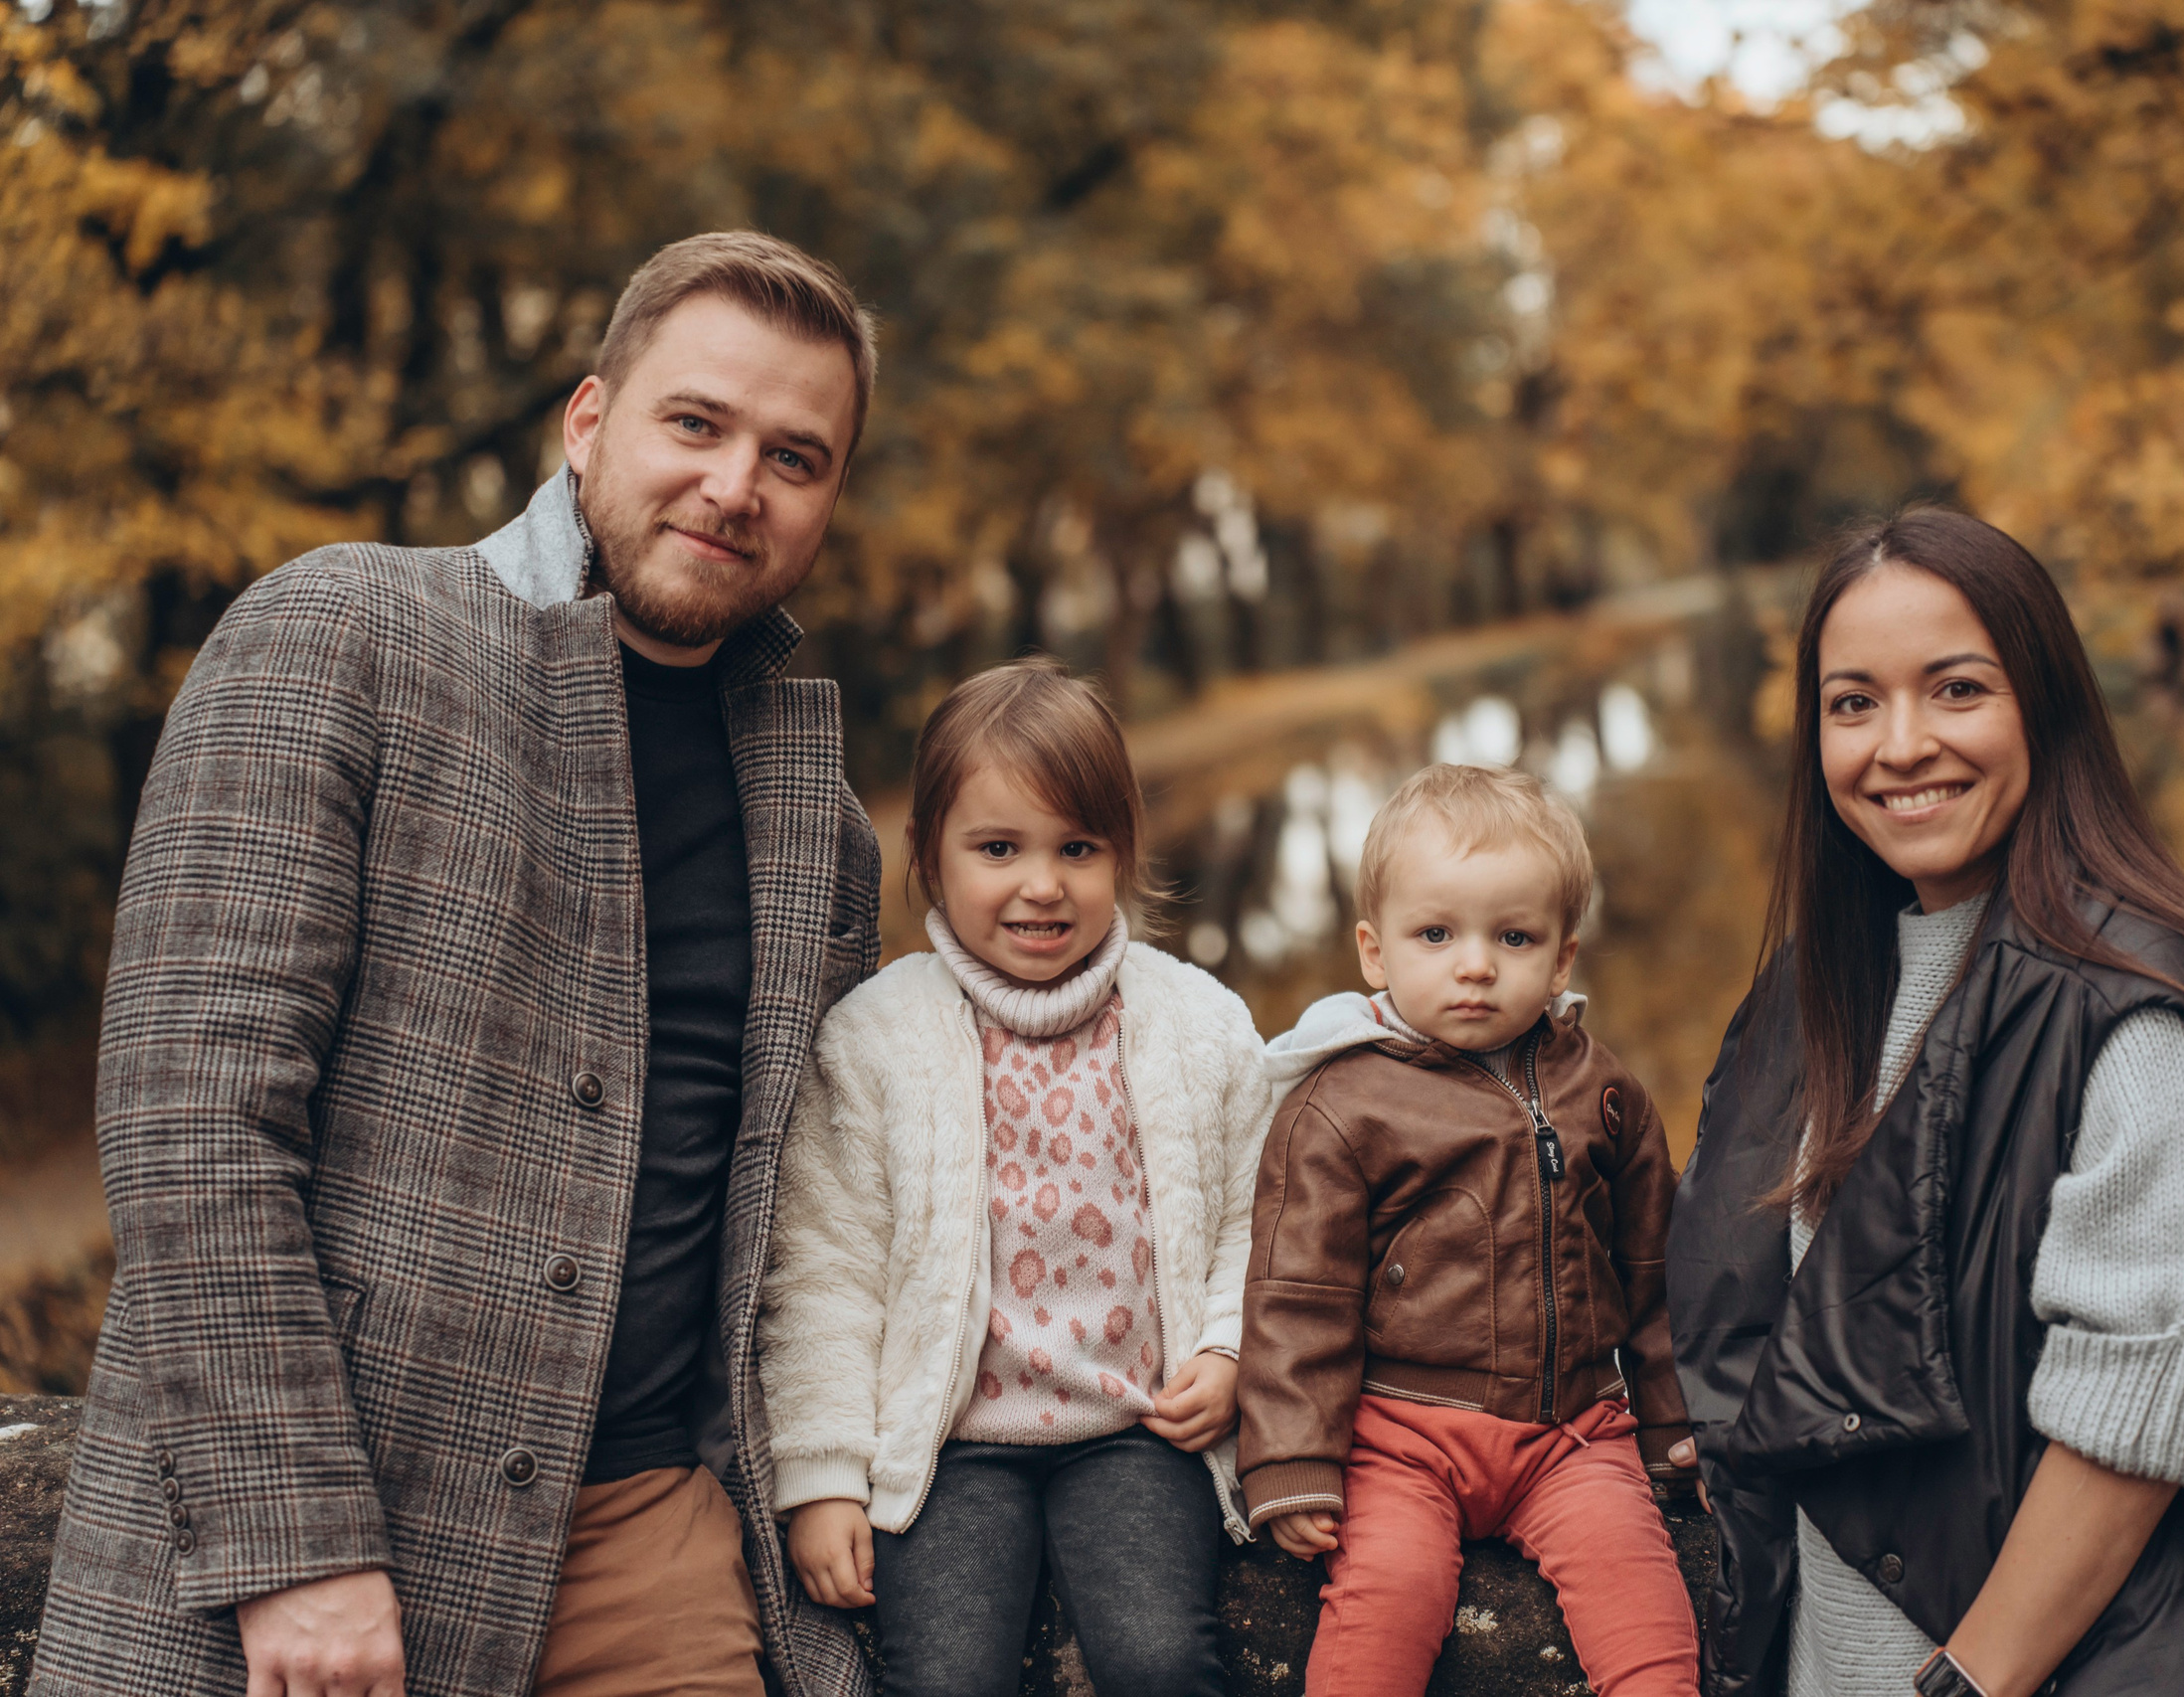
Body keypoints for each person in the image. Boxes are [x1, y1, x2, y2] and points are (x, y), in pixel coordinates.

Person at [31, 232, 886, 1697]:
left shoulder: (826, 825)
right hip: (331, 1531)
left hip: (650, 1541)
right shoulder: (340, 630)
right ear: (589, 417)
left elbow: (822, 1207)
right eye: (697, 422)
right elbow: (193, 1113)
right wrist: (294, 1538)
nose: (736, 485)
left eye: (793, 456)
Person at [1663, 508, 2184, 1697]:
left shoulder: (2130, 1011)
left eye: (1955, 689)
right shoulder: (1810, 997)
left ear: (2043, 704)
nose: (1898, 745)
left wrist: (1963, 1682)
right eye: (1852, 703)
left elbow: (2143, 1412)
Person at [760, 658, 1272, 1697]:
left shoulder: (1197, 1024)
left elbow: (1256, 1218)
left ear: (1121, 853)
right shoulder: (874, 1040)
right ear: (929, 856)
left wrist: (1226, 1348)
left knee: (1163, 1661)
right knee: (945, 1677)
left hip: (1133, 1433)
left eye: (1076, 849)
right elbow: (825, 1272)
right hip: (950, 1446)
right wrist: (820, 1479)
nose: (1042, 885)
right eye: (998, 848)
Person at [1238, 762, 1699, 1697]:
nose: (1476, 963)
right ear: (1375, 950)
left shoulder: (1599, 1089)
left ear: (1563, 957)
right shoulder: (1343, 1102)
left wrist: (1672, 1417)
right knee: (1388, 1595)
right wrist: (1291, 1460)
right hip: (1403, 1436)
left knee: (1647, 1606)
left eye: (1514, 935)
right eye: (1436, 933)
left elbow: (1654, 1264)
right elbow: (1298, 1294)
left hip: (1572, 1431)